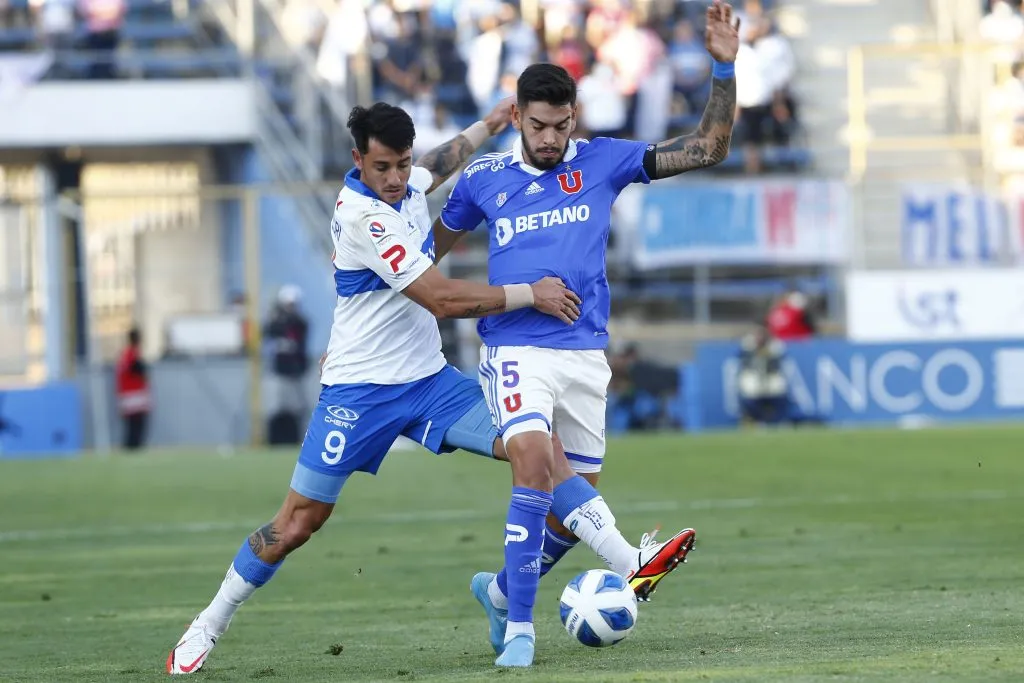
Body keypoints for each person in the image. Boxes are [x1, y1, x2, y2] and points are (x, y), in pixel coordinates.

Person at [168, 99, 687, 675]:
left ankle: (629, 561)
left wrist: (489, 125)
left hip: (431, 384)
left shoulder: (405, 183)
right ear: (358, 160)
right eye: (383, 167)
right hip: (359, 393)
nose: (396, 178)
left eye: (402, 164)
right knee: (296, 524)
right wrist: (529, 294)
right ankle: (208, 623)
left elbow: (438, 165)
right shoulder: (364, 218)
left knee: (537, 450)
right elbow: (441, 299)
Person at [434, 1, 740, 666]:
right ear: (517, 117)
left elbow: (709, 147)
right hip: (514, 347)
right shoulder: (484, 178)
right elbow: (424, 258)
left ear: (575, 117)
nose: (550, 138)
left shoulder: (605, 160)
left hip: (584, 351)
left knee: (571, 508)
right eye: (538, 125)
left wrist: (722, 67)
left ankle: (499, 592)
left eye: (561, 124)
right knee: (535, 465)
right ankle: (533, 623)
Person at [263, 285, 310, 444]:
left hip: (296, 373)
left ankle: (298, 439)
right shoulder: (275, 321)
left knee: (298, 409)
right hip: (278, 372)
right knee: (276, 408)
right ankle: (274, 440)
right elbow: (268, 333)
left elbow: (299, 334)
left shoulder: (300, 323)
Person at [115, 327, 150, 451]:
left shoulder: (126, 354)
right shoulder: (132, 354)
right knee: (136, 424)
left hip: (128, 394)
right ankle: (133, 447)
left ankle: (131, 446)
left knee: (133, 424)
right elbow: (137, 370)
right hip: (134, 394)